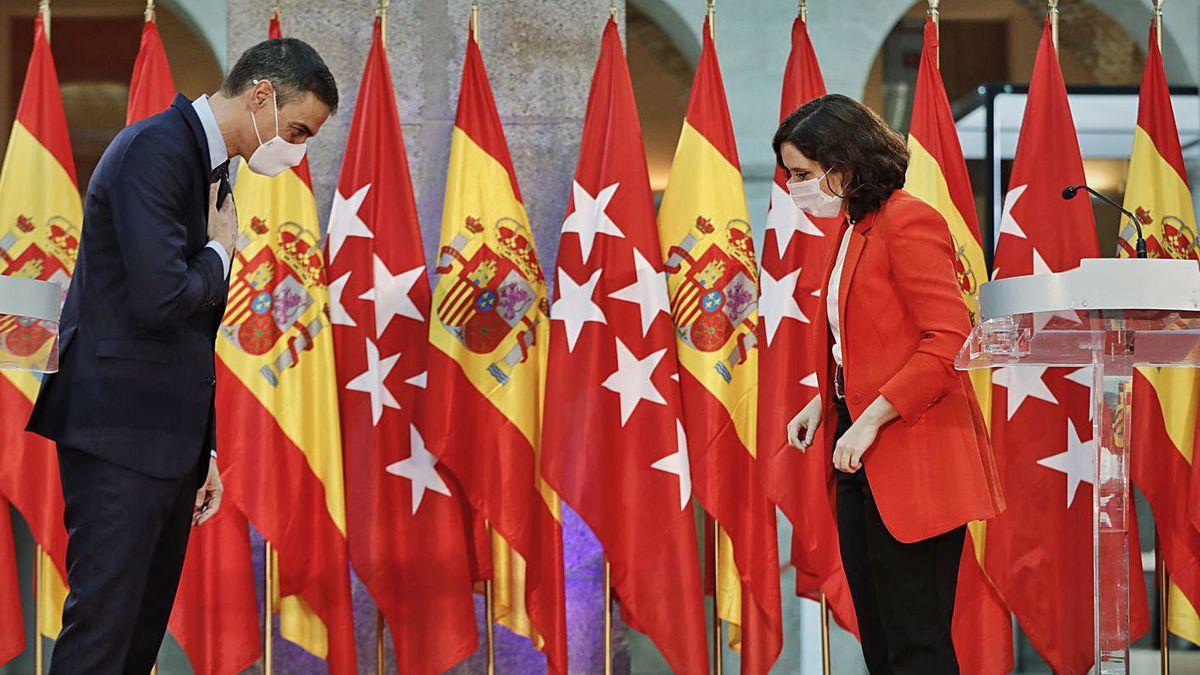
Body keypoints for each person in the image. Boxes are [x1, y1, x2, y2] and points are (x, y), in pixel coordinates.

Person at [26, 37, 337, 674]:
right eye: (298, 129)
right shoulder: (156, 150)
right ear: (260, 97)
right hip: (119, 433)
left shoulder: (206, 165)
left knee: (136, 640)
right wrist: (221, 252)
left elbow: (189, 332)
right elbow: (161, 299)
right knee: (102, 639)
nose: (297, 150)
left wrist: (206, 448)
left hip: (163, 438)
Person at [777, 94, 1004, 674]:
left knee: (915, 641)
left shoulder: (909, 220)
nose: (796, 187)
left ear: (843, 166)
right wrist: (823, 400)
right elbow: (871, 341)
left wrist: (873, 415)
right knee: (879, 637)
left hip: (913, 450)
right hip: (860, 447)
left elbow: (949, 340)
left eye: (803, 174)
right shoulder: (852, 227)